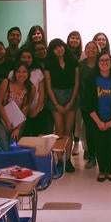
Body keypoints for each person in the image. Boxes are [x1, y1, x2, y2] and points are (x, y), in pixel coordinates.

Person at [82, 52, 111, 183]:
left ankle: (110, 170)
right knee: (100, 145)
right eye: (101, 60)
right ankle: (102, 170)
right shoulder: (91, 80)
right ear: (97, 63)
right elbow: (88, 104)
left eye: (107, 60)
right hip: (96, 119)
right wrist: (99, 122)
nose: (104, 63)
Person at [45, 38, 80, 173]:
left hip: (71, 96)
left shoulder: (73, 62)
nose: (59, 49)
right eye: (55, 48)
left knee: (68, 130)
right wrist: (56, 104)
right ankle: (59, 159)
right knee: (59, 130)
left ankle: (68, 159)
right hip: (55, 97)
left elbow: (76, 83)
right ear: (52, 51)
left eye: (61, 46)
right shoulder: (48, 64)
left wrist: (71, 102)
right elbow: (48, 87)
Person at [0, 61, 34, 150]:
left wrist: (18, 128)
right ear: (14, 73)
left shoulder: (31, 88)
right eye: (18, 71)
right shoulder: (6, 83)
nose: (21, 74)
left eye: (24, 72)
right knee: (4, 148)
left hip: (19, 123)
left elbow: (25, 109)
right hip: (3, 120)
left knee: (14, 148)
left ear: (28, 73)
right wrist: (7, 122)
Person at [15, 48, 50, 136]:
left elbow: (42, 93)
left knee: (36, 138)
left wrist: (37, 110)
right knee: (22, 139)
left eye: (29, 57)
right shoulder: (13, 72)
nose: (26, 59)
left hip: (35, 111)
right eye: (23, 57)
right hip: (18, 112)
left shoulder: (37, 72)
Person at [79, 41, 100, 168]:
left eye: (94, 48)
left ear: (98, 50)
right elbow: (77, 83)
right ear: (85, 51)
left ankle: (101, 155)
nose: (91, 50)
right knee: (90, 130)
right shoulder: (81, 65)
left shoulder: (102, 63)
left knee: (100, 130)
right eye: (88, 48)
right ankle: (92, 156)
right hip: (86, 103)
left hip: (102, 102)